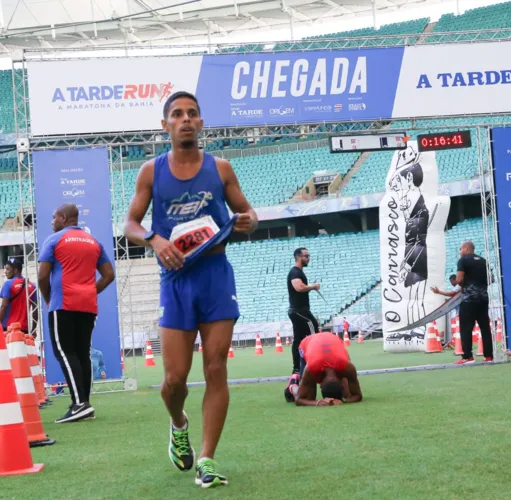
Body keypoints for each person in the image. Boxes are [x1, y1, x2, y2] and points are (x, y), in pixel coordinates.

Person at [123, 91, 258, 488]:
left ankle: (207, 458)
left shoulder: (221, 168)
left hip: (216, 274)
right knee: (174, 380)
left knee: (216, 366)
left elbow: (248, 213)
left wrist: (248, 220)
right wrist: (154, 239)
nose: (186, 120)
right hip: (176, 279)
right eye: (178, 114)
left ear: (201, 124)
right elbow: (129, 223)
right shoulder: (151, 171)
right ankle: (178, 422)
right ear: (165, 126)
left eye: (193, 114)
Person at [37, 203, 115, 423]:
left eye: (54, 217)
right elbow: (109, 274)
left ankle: (80, 404)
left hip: (63, 304)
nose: (52, 221)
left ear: (63, 218)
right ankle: (84, 403)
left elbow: (43, 276)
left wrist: (48, 298)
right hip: (87, 306)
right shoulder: (93, 241)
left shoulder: (54, 240)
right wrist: (91, 291)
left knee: (64, 352)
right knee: (82, 354)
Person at [293, 332, 363, 406]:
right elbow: (298, 399)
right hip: (307, 343)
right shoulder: (311, 368)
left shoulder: (348, 367)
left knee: (348, 395)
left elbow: (358, 395)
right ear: (321, 385)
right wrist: (318, 403)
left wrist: (343, 400)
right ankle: (292, 386)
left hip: (332, 340)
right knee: (309, 397)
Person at [454, 241, 493, 364]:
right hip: (483, 299)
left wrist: (460, 283)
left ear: (466, 248)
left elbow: (459, 280)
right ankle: (489, 356)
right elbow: (491, 279)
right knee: (485, 328)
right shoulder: (483, 261)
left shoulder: (463, 261)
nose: (460, 252)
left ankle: (468, 356)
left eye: (461, 249)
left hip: (469, 299)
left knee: (466, 328)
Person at [287, 247, 320, 374]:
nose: (308, 258)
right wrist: (313, 286)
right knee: (314, 332)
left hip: (298, 311)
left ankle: (297, 369)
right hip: (299, 311)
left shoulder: (298, 272)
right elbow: (299, 287)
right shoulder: (295, 272)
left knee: (298, 340)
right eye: (306, 256)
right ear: (299, 257)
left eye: (308, 256)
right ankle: (316, 362)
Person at [0, 257, 38, 335]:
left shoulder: (8, 284)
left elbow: (4, 306)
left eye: (7, 269)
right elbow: (35, 310)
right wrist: (34, 329)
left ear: (15, 270)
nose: (5, 272)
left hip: (8, 329)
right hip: (24, 330)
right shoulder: (32, 286)